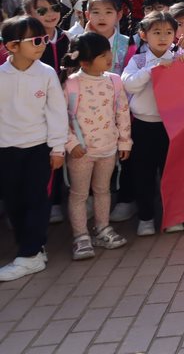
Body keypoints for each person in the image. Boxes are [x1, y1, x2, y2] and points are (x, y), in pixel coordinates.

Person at [0, 16, 68, 281]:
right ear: (12, 46)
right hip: (6, 149)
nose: (42, 44)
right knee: (14, 201)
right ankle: (32, 249)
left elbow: (56, 112)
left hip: (39, 148)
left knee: (36, 200)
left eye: (44, 39)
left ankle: (29, 256)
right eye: (35, 40)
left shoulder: (47, 73)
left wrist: (58, 148)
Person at [61, 32, 131, 260]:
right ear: (84, 62)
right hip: (81, 152)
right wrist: (71, 143)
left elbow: (122, 111)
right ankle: (80, 236)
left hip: (108, 148)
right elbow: (61, 117)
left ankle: (102, 228)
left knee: (103, 190)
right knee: (79, 194)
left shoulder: (114, 80)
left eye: (108, 51)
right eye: (102, 55)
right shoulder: (72, 84)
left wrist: (124, 141)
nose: (109, 57)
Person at [122, 11, 184, 236]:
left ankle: (174, 216)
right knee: (144, 174)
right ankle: (146, 218)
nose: (163, 37)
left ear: (175, 34)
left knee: (173, 173)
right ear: (144, 35)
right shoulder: (138, 60)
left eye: (168, 32)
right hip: (143, 126)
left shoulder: (180, 57)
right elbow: (129, 84)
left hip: (172, 127)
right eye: (156, 32)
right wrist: (154, 69)